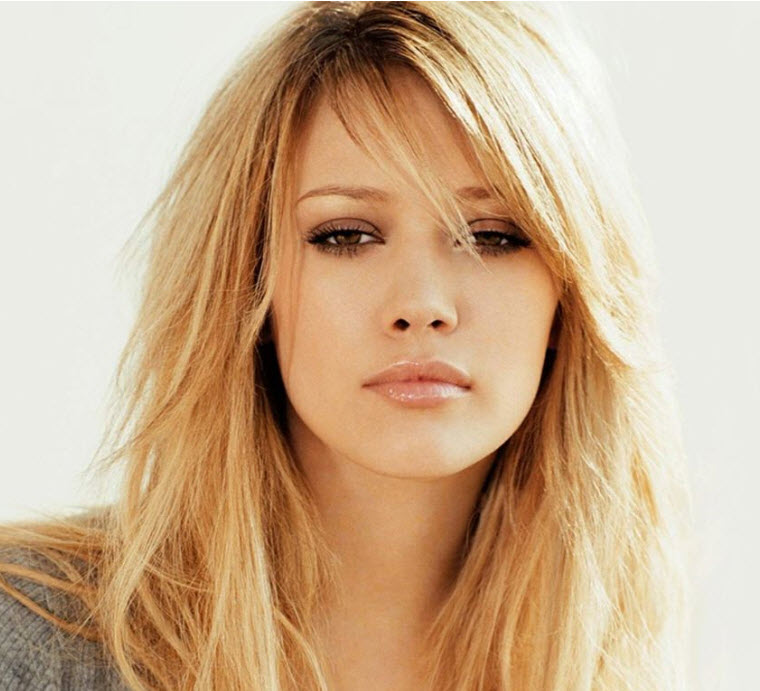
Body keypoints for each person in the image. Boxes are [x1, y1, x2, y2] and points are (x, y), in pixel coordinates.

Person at [0, 2, 693, 689]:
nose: (421, 305)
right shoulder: (31, 645)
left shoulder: (617, 666)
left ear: (570, 296)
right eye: (346, 235)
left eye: (492, 236)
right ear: (249, 280)